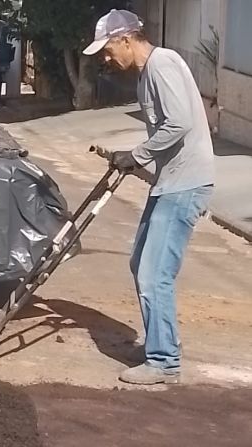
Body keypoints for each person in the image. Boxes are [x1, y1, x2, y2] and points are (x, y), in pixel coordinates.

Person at [83, 10, 215, 385]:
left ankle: (164, 361)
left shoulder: (163, 64)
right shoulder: (146, 76)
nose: (106, 59)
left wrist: (137, 154)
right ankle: (160, 344)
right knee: (141, 261)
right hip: (169, 181)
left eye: (108, 50)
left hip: (186, 183)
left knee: (154, 273)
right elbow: (168, 132)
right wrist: (126, 158)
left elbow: (179, 122)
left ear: (126, 39)